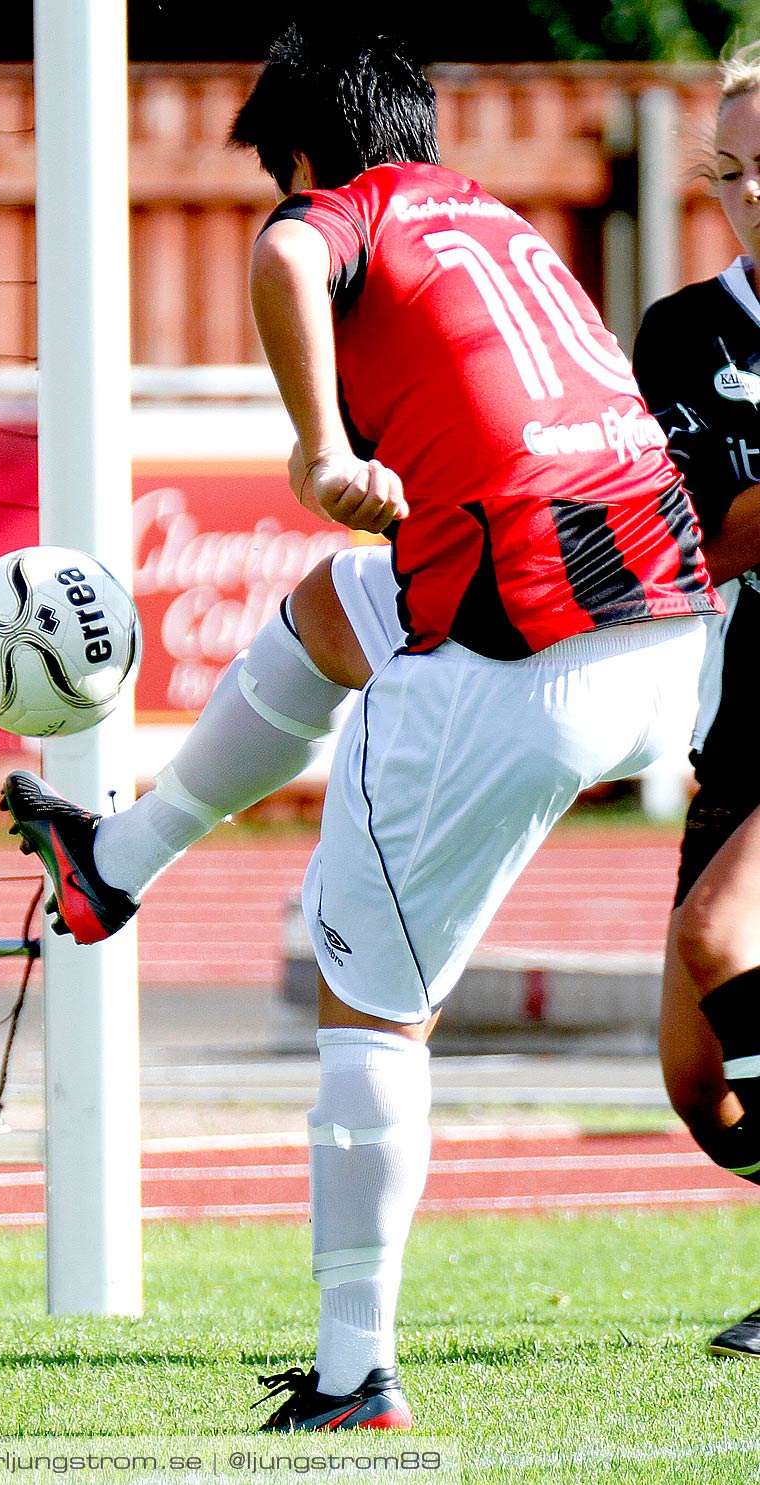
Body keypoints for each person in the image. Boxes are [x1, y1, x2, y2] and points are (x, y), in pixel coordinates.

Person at [2, 23, 719, 1431]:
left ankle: (352, 1372)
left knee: (372, 1008)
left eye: (288, 171)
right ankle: (122, 859)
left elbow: (283, 255)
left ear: (313, 156)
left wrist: (322, 449)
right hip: (667, 626)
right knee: (343, 602)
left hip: (527, 651)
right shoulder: (493, 218)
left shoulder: (339, 211)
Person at [631, 41, 760, 1361]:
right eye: (733, 171)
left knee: (729, 939)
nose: (756, 193)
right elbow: (709, 533)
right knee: (696, 1085)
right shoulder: (684, 333)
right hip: (741, 726)